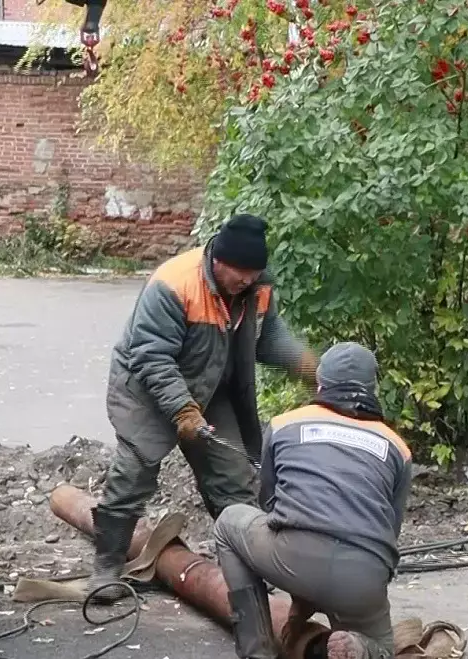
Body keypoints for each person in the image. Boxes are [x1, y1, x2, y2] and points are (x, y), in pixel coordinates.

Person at [88, 213, 317, 599]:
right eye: (240, 272)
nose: (247, 279)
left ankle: (250, 570)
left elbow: (269, 336)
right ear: (217, 261)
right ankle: (106, 566)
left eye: (254, 272)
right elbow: (151, 355)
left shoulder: (257, 287)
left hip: (211, 389)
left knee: (234, 480)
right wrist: (182, 410)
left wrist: (306, 364)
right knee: (133, 474)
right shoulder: (175, 282)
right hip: (147, 389)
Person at [213, 342, 413, 659]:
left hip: (291, 557)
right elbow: (390, 530)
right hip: (363, 578)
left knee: (228, 523)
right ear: (373, 389)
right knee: (384, 649)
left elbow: (272, 507)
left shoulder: (284, 424)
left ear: (320, 383)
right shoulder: (397, 448)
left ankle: (257, 650)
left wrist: (303, 580)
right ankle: (360, 648)